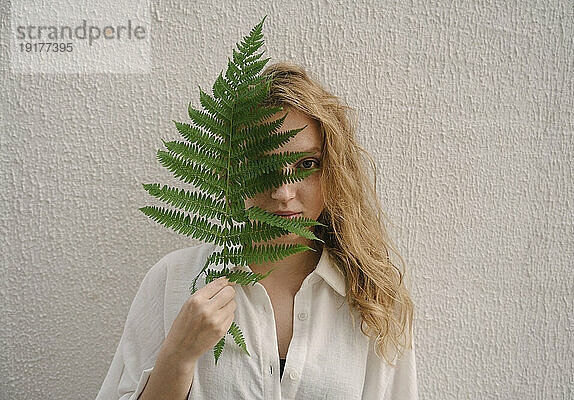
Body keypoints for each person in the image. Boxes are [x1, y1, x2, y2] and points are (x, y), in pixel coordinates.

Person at [96, 61, 417, 399]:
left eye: (307, 164)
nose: (283, 192)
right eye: (261, 166)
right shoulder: (173, 281)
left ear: (334, 170)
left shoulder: (374, 299)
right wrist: (177, 356)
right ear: (233, 173)